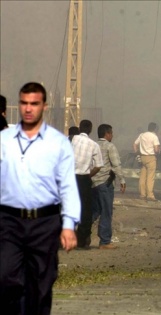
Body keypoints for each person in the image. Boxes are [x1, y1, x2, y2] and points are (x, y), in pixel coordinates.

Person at [0, 82, 81, 314]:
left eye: (34, 104)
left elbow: (68, 186)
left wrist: (68, 225)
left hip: (45, 222)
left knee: (41, 284)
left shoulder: (58, 143)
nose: (28, 108)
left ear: (43, 106)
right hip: (8, 221)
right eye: (24, 103)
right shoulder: (3, 140)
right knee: (6, 278)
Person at [92, 124, 126, 250]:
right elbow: (116, 165)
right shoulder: (110, 146)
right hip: (105, 183)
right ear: (107, 134)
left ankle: (79, 235)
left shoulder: (92, 145)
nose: (112, 135)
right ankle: (105, 241)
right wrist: (122, 180)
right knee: (106, 211)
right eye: (111, 133)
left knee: (94, 211)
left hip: (92, 183)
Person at [72, 119, 103, 249]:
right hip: (84, 179)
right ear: (90, 130)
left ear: (79, 128)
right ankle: (81, 241)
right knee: (85, 211)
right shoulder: (93, 145)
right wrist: (88, 174)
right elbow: (98, 165)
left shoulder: (71, 140)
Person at [133, 122, 160, 201]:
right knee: (150, 177)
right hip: (151, 157)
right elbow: (156, 149)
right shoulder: (154, 136)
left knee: (142, 177)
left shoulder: (142, 135)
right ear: (155, 129)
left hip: (142, 157)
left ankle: (142, 194)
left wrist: (137, 155)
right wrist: (158, 152)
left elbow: (134, 145)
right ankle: (150, 195)